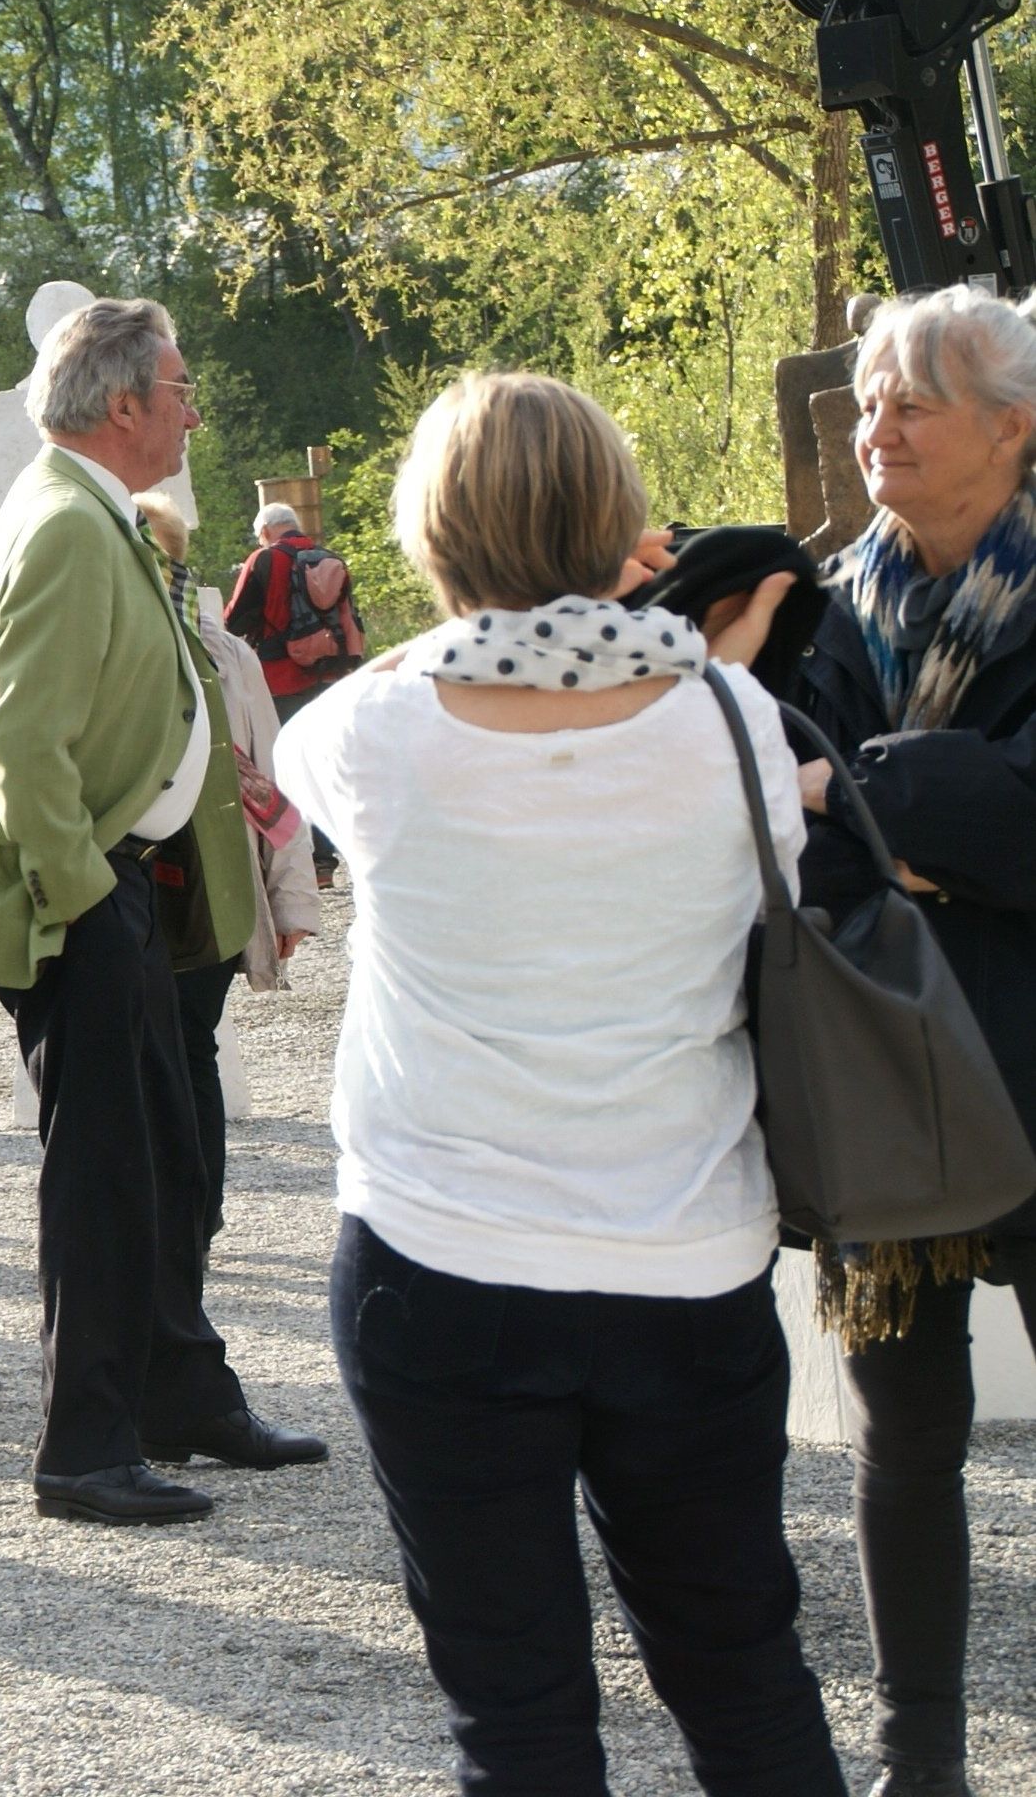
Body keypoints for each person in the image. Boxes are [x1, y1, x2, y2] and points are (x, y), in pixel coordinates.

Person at [271, 371, 841, 1794]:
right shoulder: (733, 723)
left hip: (439, 1258)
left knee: (514, 1708)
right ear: (621, 518)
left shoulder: (374, 733)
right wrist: (654, 630)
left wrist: (494, 614)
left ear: (429, 533)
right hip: (685, 1254)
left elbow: (324, 728)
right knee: (744, 1674)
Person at [0, 296, 325, 1528]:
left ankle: (179, 1394)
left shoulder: (96, 514)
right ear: (121, 406)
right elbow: (17, 738)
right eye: (181, 386)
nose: (194, 408)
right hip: (82, 898)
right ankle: (83, 1447)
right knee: (101, 1177)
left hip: (122, 889)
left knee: (161, 1154)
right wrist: (83, 899)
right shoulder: (61, 523)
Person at [778, 286, 1036, 1797]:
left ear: (1011, 428)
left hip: (1028, 1066)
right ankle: (915, 1758)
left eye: (912, 405)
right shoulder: (827, 608)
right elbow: (787, 835)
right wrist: (922, 819)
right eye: (869, 403)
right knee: (904, 1432)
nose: (875, 430)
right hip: (882, 1078)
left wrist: (873, 806)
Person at [134, 493, 321, 1236]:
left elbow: (269, 780)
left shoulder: (222, 651)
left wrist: (291, 900)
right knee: (162, 1050)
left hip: (205, 883)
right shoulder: (112, 647)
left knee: (184, 1044)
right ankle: (176, 1214)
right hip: (141, 879)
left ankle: (193, 1215)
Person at [224, 501, 356, 882]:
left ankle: (302, 863)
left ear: (266, 531)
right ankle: (328, 861)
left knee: (286, 767)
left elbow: (234, 618)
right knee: (324, 763)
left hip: (280, 678)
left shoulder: (265, 560)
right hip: (329, 677)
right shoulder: (328, 558)